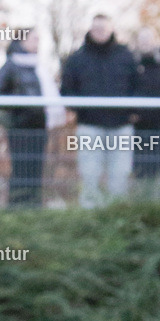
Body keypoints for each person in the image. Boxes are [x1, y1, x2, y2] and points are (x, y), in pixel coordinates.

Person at [61, 14, 138, 208]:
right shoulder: (78, 58)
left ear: (111, 30)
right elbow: (67, 89)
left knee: (120, 174)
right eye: (96, 29)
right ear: (90, 30)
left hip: (121, 125)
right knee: (89, 173)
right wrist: (79, 110)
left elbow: (138, 85)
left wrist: (132, 112)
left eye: (103, 29)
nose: (100, 32)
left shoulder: (126, 56)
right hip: (89, 125)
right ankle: (90, 216)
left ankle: (116, 213)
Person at [0, 29, 49, 206]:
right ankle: (17, 207)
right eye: (34, 38)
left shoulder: (38, 66)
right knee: (21, 168)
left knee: (36, 169)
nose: (37, 42)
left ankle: (34, 207)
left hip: (39, 126)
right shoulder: (11, 65)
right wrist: (21, 103)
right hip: (20, 126)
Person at [133, 27, 160, 180]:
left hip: (158, 124)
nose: (145, 42)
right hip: (138, 126)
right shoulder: (131, 64)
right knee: (141, 167)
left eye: (148, 39)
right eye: (142, 39)